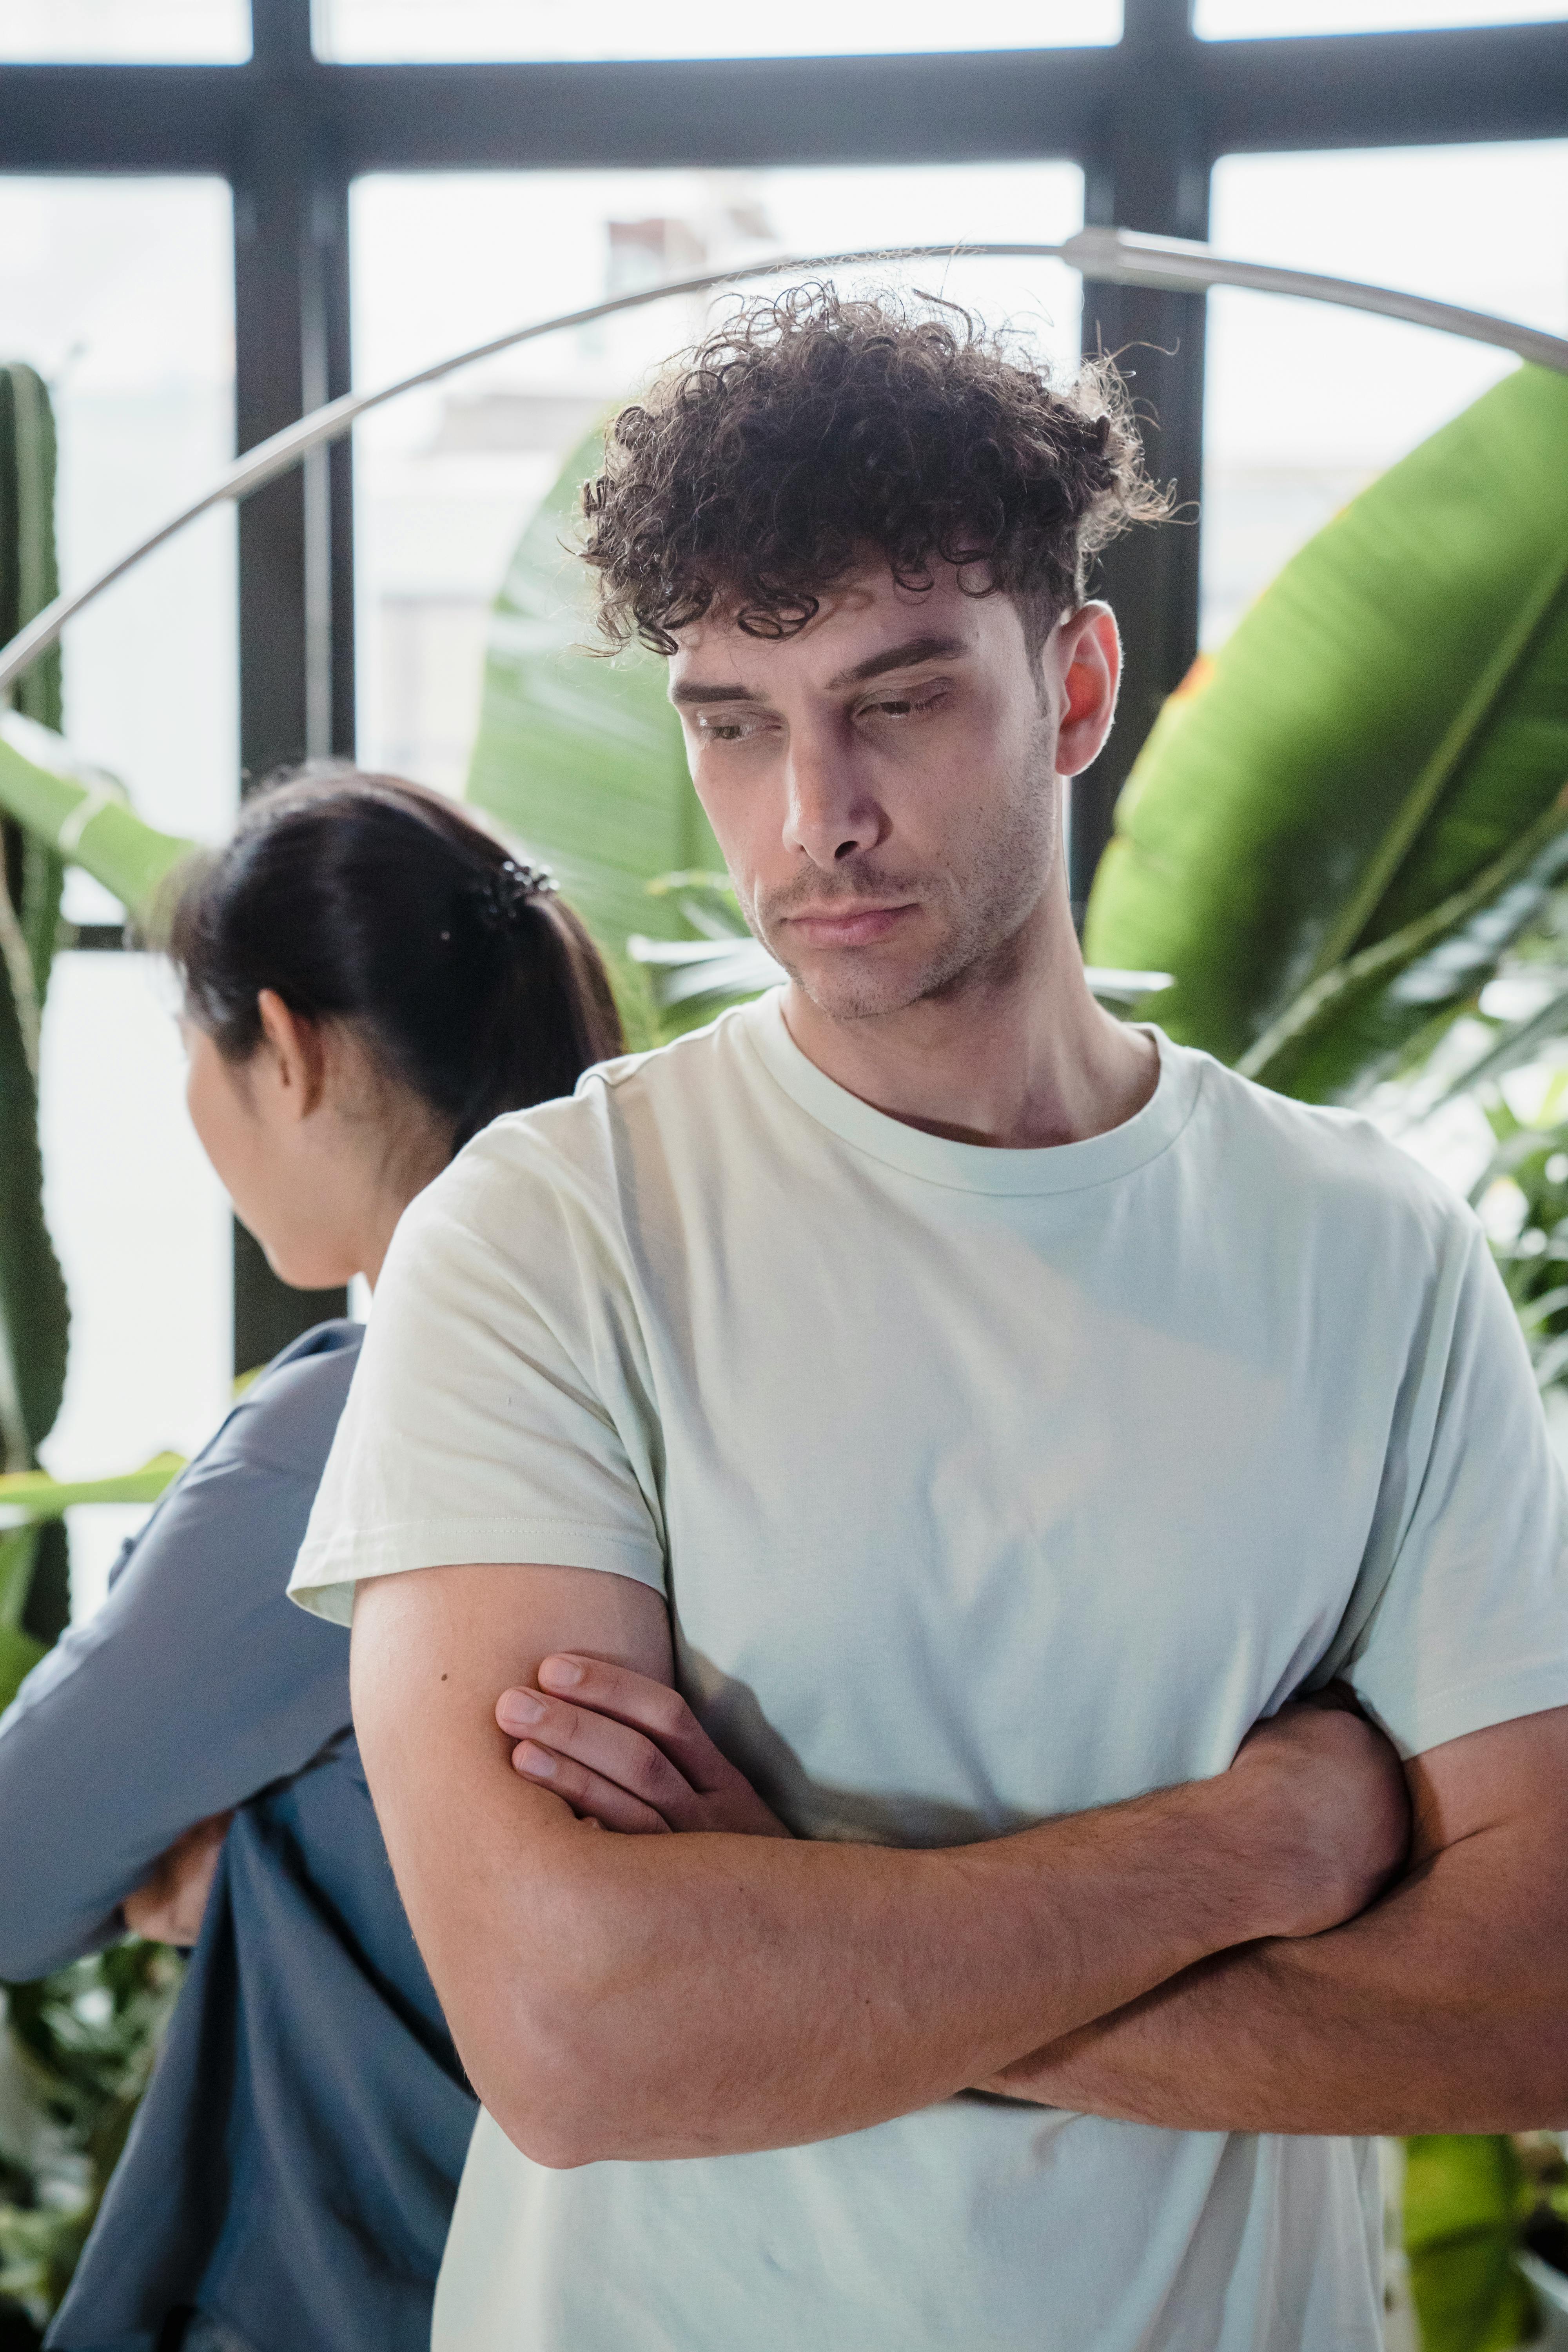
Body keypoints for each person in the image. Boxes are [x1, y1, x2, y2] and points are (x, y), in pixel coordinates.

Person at [289, 291, 1568, 2352]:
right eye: (734, 723)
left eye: (895, 704)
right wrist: (1263, 1843)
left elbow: (1538, 1998)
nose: (814, 817)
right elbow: (581, 2034)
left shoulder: (1368, 1247)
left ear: (1074, 686)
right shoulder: (549, 1238)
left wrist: (808, 1955)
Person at [0, 769, 622, 2352]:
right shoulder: (657, 1358)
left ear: (284, 1050)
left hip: (366, 2282)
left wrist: (240, 1853)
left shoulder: (363, 1419)